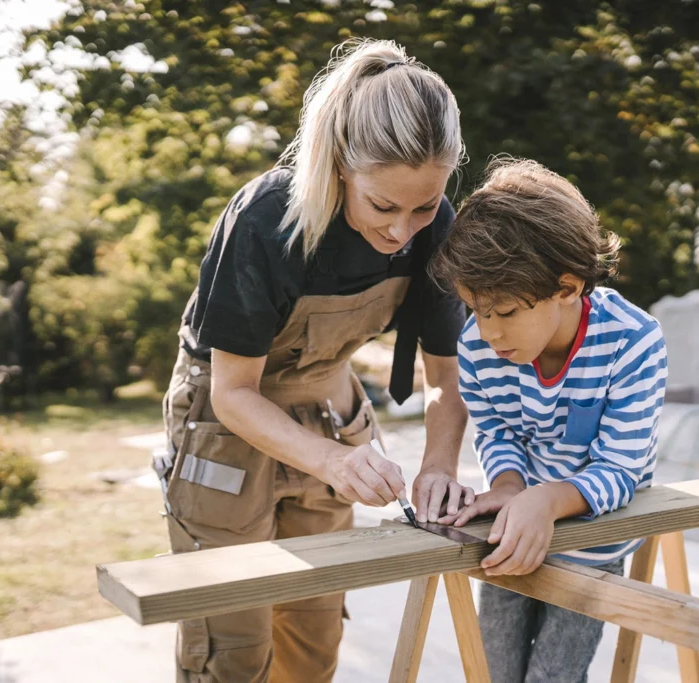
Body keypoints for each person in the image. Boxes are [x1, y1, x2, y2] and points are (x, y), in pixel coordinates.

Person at [158, 39, 473, 683]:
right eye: (383, 206)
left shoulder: (434, 226)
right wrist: (334, 461)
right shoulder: (267, 219)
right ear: (337, 168)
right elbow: (233, 393)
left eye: (423, 206)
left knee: (314, 636)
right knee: (232, 647)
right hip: (226, 420)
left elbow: (448, 380)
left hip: (330, 404)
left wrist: (438, 467)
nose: (401, 232)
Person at [430, 158, 668, 683]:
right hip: (515, 528)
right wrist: (512, 486)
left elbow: (622, 469)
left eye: (506, 312)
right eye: (476, 309)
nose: (489, 332)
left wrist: (546, 499)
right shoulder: (477, 345)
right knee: (493, 670)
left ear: (567, 286)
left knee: (553, 678)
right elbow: (497, 430)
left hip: (595, 539)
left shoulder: (633, 341)